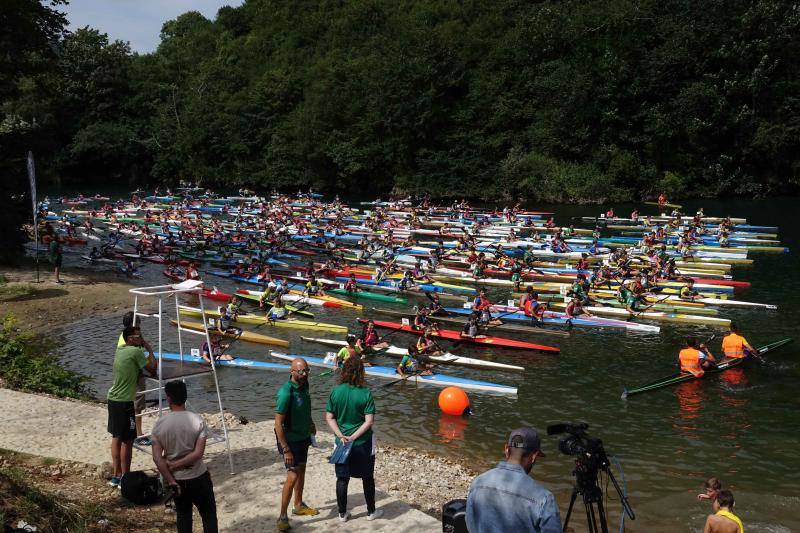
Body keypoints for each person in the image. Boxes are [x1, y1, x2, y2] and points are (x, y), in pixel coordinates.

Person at [151, 381, 218, 533]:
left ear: (168, 399)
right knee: (208, 515)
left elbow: (157, 458)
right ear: (185, 397)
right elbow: (198, 453)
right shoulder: (198, 421)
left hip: (177, 480)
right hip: (199, 477)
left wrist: (171, 479)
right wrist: (178, 464)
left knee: (183, 516)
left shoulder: (160, 425)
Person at [466, 428, 560, 533]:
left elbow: (470, 524)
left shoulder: (478, 482)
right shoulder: (544, 498)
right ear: (533, 456)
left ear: (506, 449)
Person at [325, 357, 382, 522]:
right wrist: (354, 436)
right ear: (361, 372)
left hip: (341, 443)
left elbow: (329, 417)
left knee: (342, 478)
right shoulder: (366, 393)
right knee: (367, 477)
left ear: (344, 371)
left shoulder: (336, 391)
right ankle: (371, 512)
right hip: (362, 443)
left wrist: (341, 435)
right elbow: (369, 421)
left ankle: (342, 514)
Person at [107, 326, 157, 488]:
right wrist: (148, 348)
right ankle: (125, 478)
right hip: (125, 402)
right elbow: (152, 368)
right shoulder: (136, 352)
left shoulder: (120, 350)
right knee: (128, 440)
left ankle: (116, 476)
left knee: (116, 437)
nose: (140, 338)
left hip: (113, 399)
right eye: (138, 336)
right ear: (130, 338)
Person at [274, 358, 319, 531]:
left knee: (301, 471)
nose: (305, 374)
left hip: (303, 437)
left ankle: (298, 505)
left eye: (307, 370)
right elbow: (278, 424)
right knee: (292, 476)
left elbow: (305, 408)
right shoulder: (286, 393)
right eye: (301, 371)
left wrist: (311, 422)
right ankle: (282, 516)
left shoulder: (305, 385)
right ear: (292, 372)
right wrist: (285, 449)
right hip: (289, 441)